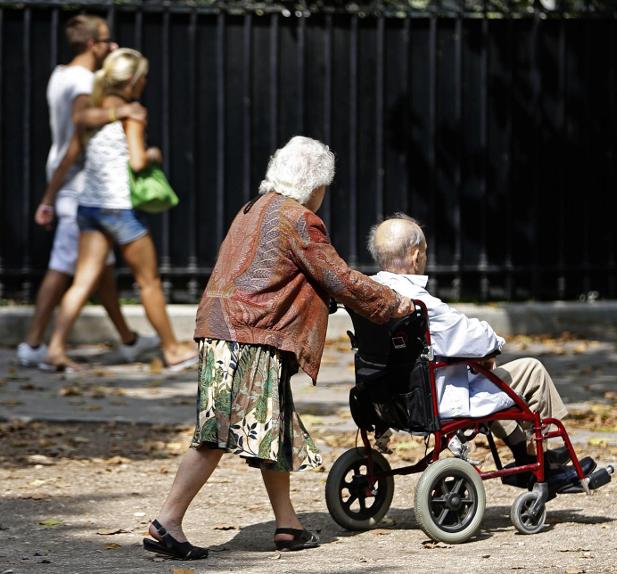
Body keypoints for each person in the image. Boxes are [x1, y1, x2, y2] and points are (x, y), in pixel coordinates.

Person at [142, 136, 414, 560]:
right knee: (215, 433)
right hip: (249, 334)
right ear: (314, 184)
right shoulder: (299, 219)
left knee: (275, 426)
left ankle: (287, 524)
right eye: (325, 186)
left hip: (225, 328)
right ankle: (167, 521)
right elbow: (337, 277)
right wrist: (391, 301)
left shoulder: (253, 208)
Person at [367, 214, 586, 476]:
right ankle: (549, 456)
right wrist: (491, 348)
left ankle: (520, 449)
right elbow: (481, 340)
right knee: (531, 370)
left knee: (487, 378)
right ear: (416, 257)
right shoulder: (423, 305)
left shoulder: (370, 292)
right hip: (437, 398)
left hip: (393, 398)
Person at [41, 48, 196, 372]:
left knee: (82, 281)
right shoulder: (132, 113)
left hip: (90, 206)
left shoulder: (91, 111)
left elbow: (69, 156)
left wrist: (48, 199)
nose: (145, 82)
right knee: (148, 281)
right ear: (133, 81)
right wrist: (154, 154)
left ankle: (55, 348)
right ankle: (171, 349)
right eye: (143, 77)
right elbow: (138, 161)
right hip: (121, 209)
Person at [17, 14, 157, 368]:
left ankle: (127, 338)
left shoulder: (60, 74)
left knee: (96, 271)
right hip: (79, 185)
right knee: (67, 269)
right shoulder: (82, 80)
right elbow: (81, 124)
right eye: (107, 40)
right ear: (92, 45)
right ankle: (36, 345)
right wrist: (123, 109)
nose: (112, 46)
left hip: (73, 184)